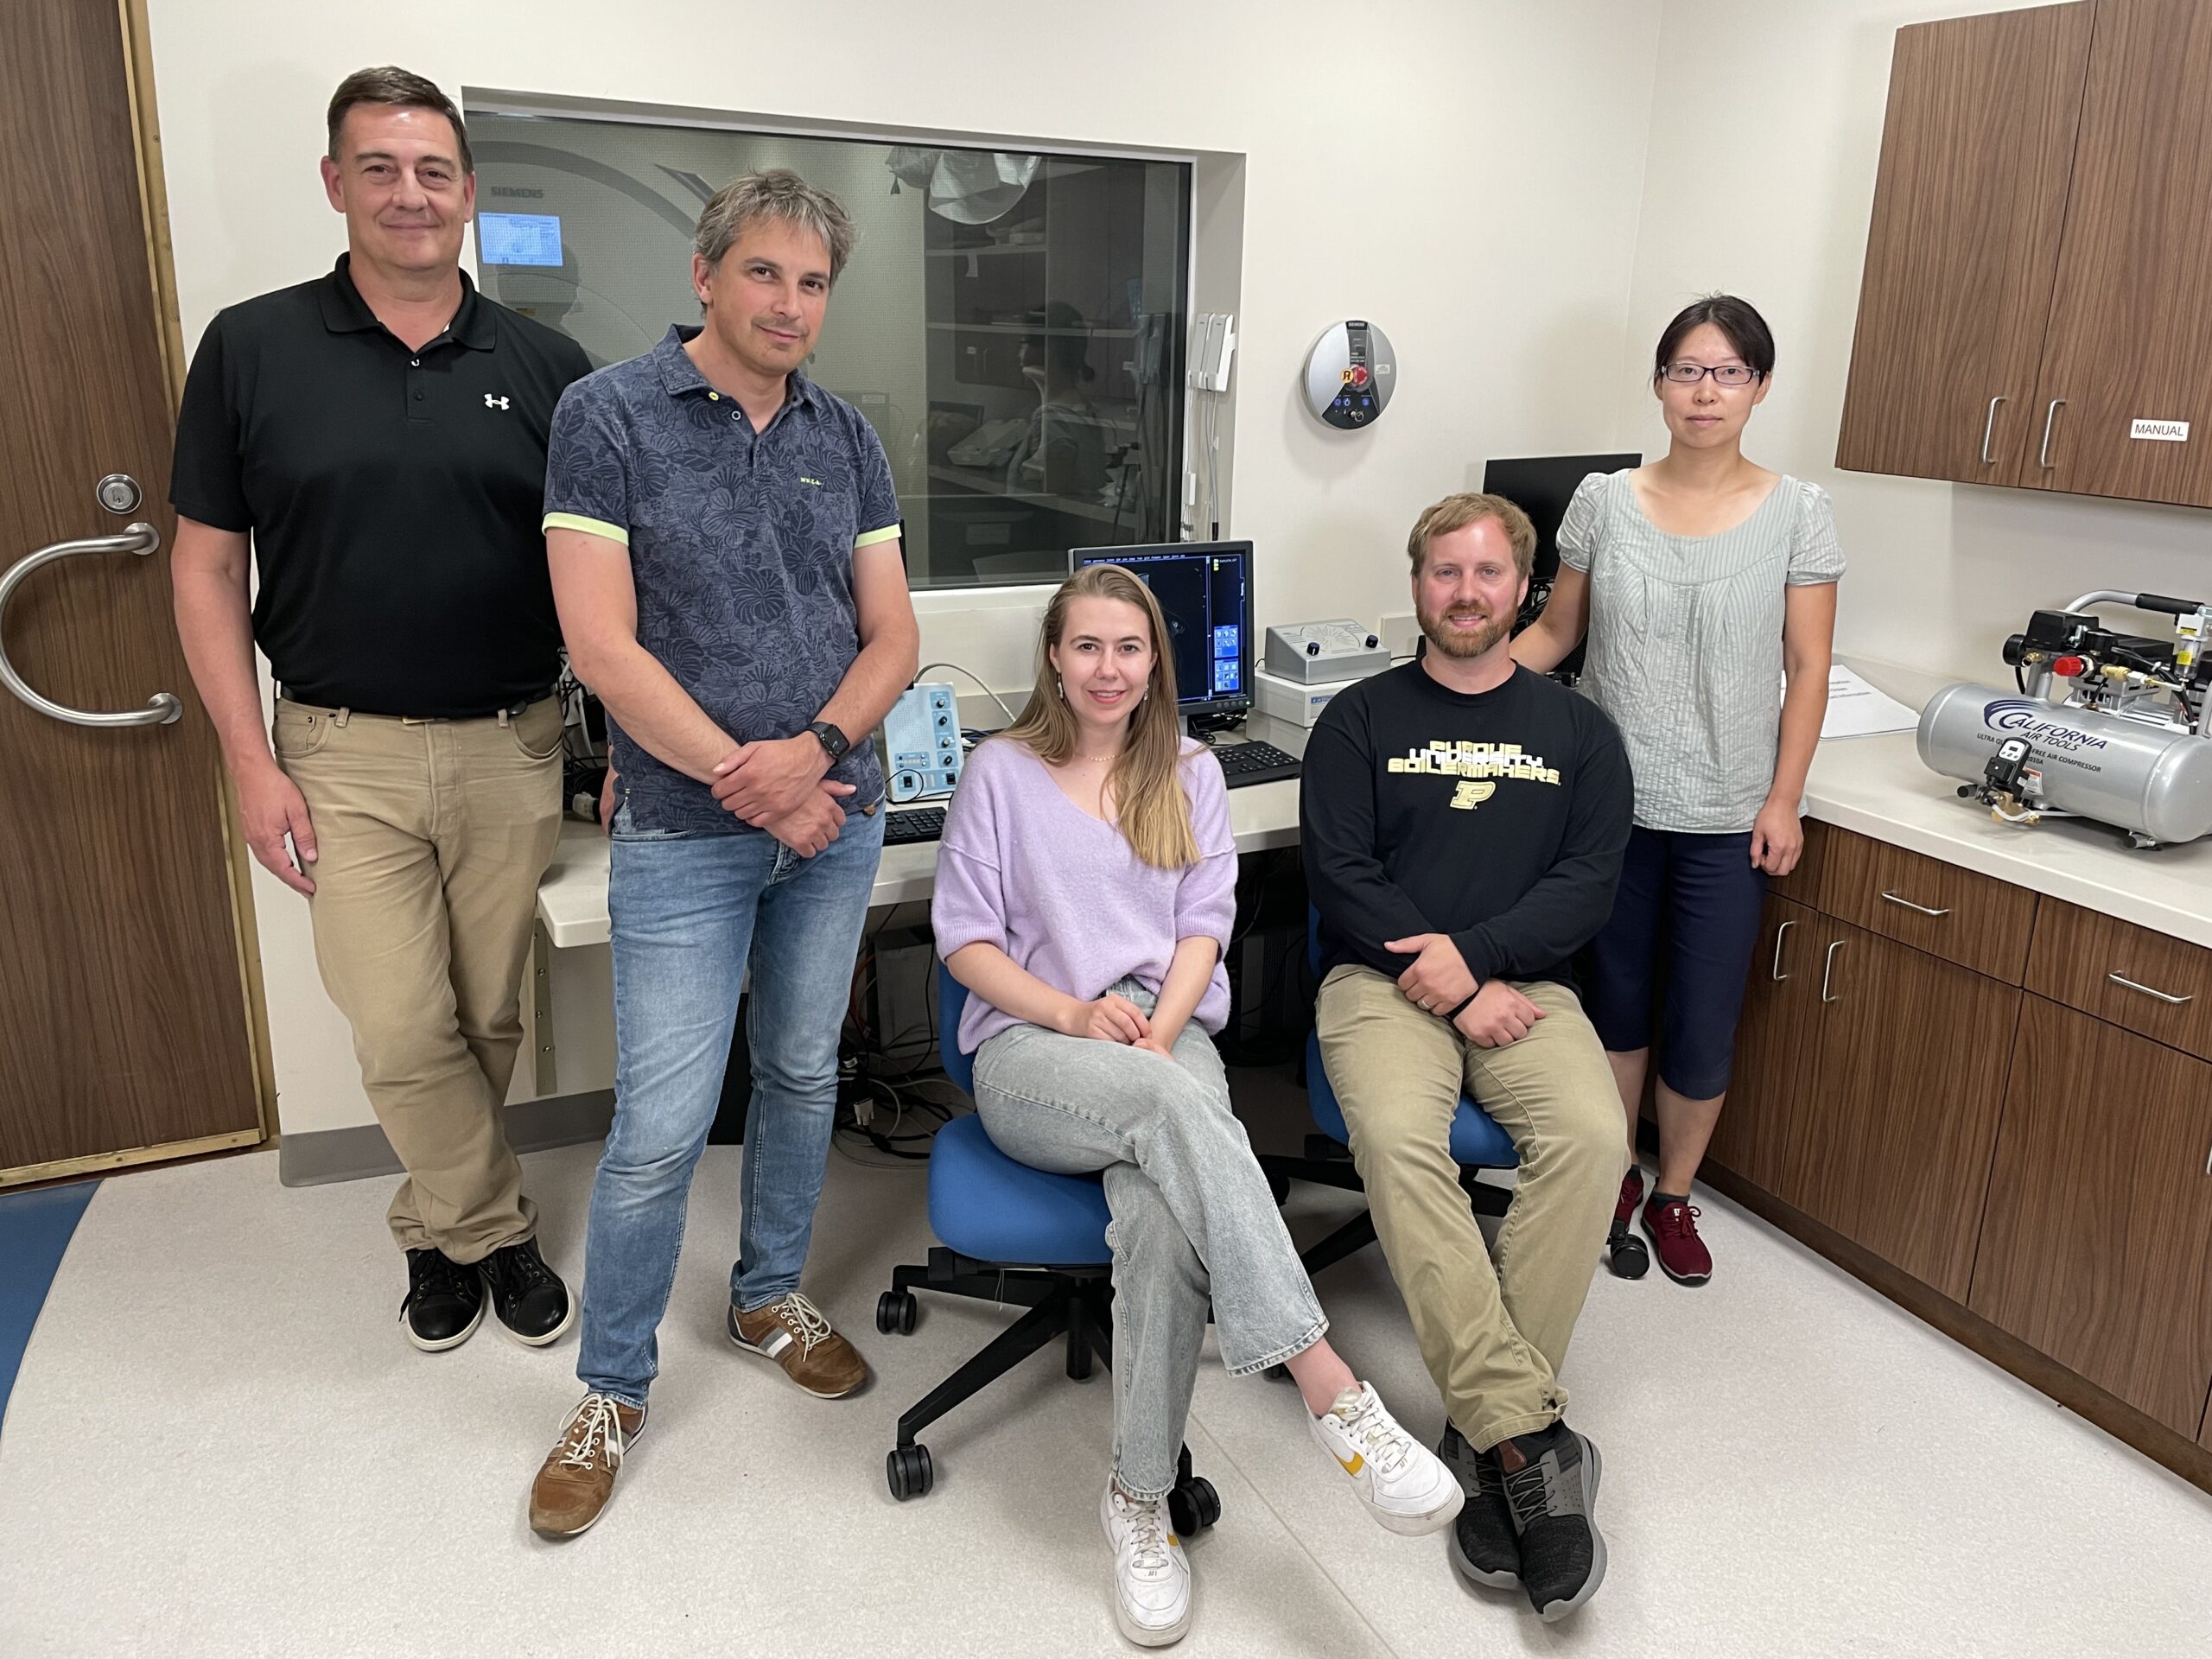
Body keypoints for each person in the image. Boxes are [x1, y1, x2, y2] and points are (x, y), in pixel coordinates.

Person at [932, 563, 1464, 1648]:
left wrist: (1162, 1036)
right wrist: (1077, 1020)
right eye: (1088, 646)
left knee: (1162, 1221)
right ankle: (1333, 1394)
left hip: (1159, 1033)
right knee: (1180, 1120)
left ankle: (1136, 1502)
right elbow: (965, 943)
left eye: (1130, 649)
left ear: (1154, 662)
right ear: (1053, 656)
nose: (1108, 668)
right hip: (1036, 1047)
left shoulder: (1190, 770)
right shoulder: (1000, 771)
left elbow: (1201, 932)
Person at [169, 67, 590, 1355]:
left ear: (467, 191)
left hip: (513, 743)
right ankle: (497, 1228)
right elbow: (201, 564)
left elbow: (598, 580)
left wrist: (613, 749)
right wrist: (248, 759)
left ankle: (433, 1229)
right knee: (400, 1020)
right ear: (335, 182)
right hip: (336, 748)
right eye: (380, 168)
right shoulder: (253, 346)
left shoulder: (549, 364)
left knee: (485, 1017)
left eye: (433, 171)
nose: (410, 195)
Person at [526, 169, 919, 1538]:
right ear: (706, 275)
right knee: (657, 1130)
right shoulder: (609, 417)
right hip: (692, 833)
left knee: (806, 1069)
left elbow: (894, 640)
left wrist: (816, 754)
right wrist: (762, 789)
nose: (791, 305)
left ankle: (765, 1298)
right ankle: (612, 1392)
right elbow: (603, 649)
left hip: (835, 815)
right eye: (766, 274)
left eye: (813, 284)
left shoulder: (846, 435)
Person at [1302, 493, 1632, 1622]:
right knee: (1398, 1140)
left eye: (1488, 574)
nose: (1466, 592)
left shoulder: (1581, 734)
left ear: (1522, 590)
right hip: (1379, 983)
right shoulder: (1355, 721)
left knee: (1594, 1138)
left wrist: (1483, 967)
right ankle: (1527, 1439)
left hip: (1528, 985)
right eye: (1445, 573)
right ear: (1417, 586)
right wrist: (1441, 975)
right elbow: (1340, 876)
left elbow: (1586, 888)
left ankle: (1485, 1427)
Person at [1511, 295, 1842, 1285]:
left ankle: (1674, 1194)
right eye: (1687, 370)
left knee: (1701, 1017)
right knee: (1613, 1006)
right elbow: (1557, 636)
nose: (1705, 391)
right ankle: (1610, 1175)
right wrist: (1447, 688)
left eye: (1727, 372)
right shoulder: (1603, 502)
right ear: (1658, 384)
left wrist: (1781, 800)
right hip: (1610, 810)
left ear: (1760, 387)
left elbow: (1810, 667)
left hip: (1727, 814)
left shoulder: (1798, 512)